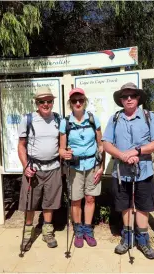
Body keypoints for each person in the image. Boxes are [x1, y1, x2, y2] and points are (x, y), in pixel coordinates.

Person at [102, 82, 154, 259]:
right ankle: (127, 238)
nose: (128, 99)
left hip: (143, 170)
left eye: (132, 95)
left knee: (143, 207)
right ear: (121, 100)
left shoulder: (148, 116)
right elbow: (106, 143)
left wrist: (137, 151)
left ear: (138, 98)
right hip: (121, 172)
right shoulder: (114, 118)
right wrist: (123, 156)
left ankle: (143, 241)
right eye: (125, 96)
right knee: (125, 206)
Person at [17, 86, 62, 250]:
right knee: (30, 203)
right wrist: (25, 167)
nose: (46, 104)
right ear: (37, 103)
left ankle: (47, 231)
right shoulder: (28, 119)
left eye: (49, 101)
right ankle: (28, 233)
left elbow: (63, 142)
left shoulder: (58, 119)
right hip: (33, 168)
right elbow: (21, 146)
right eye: (42, 101)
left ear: (52, 102)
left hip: (54, 167)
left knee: (50, 202)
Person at [59, 87, 105, 248]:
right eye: (74, 100)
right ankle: (78, 231)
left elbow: (101, 146)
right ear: (70, 103)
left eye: (80, 100)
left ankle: (87, 230)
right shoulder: (65, 123)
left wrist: (101, 167)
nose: (77, 103)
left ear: (84, 101)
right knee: (76, 200)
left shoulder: (93, 120)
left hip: (92, 165)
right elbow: (61, 148)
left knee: (90, 198)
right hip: (74, 167)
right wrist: (64, 154)